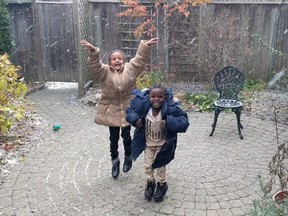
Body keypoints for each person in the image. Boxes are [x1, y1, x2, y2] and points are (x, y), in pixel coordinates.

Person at [80, 38, 158, 179]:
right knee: (113, 138)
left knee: (127, 137)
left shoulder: (131, 69)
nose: (117, 61)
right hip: (111, 110)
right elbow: (95, 65)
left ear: (124, 60)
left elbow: (139, 60)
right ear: (110, 62)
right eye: (114, 59)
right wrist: (93, 52)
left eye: (120, 58)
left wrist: (145, 46)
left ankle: (128, 155)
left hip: (128, 109)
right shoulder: (104, 72)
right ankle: (114, 161)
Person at [126, 84, 189, 202]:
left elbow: (184, 121)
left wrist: (170, 122)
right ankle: (150, 182)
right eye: (153, 96)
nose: (156, 99)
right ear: (149, 97)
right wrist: (135, 120)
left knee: (160, 166)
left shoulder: (170, 108)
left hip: (163, 144)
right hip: (148, 144)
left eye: (160, 97)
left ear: (165, 97)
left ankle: (162, 184)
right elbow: (130, 111)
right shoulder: (143, 106)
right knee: (148, 166)